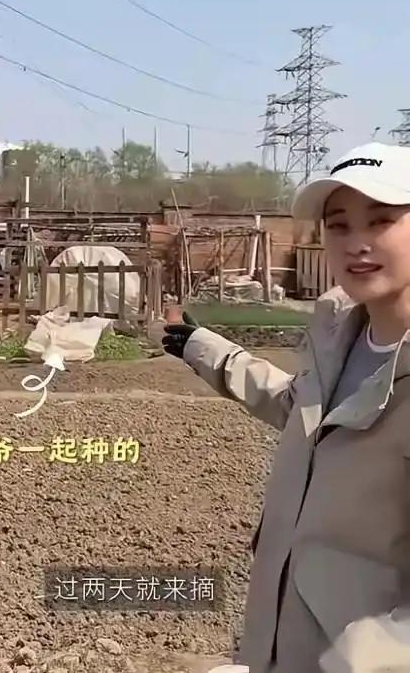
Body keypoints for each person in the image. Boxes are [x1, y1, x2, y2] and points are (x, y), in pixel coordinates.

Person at [163, 142, 410, 673]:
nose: (357, 243)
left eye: (381, 221)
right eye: (339, 225)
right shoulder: (339, 336)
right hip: (281, 639)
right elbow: (300, 408)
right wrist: (206, 350)